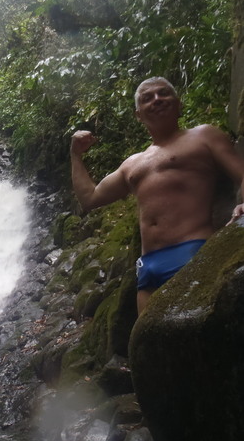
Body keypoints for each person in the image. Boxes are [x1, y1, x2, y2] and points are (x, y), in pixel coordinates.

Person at [71, 77, 244, 315]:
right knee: (153, 348)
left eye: (164, 94)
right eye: (147, 98)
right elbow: (89, 198)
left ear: (179, 103)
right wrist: (75, 156)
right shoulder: (132, 164)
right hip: (148, 267)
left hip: (194, 251)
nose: (157, 100)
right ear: (138, 115)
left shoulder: (203, 136)